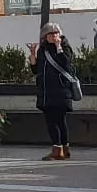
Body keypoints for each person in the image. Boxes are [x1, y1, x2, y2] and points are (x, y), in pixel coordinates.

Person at [30, 23, 78, 160]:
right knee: (53, 120)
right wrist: (33, 55)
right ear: (45, 37)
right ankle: (62, 149)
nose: (54, 36)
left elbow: (66, 64)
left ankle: (59, 149)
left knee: (58, 121)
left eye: (57, 33)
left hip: (61, 90)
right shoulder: (42, 50)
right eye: (51, 34)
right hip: (46, 92)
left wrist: (59, 47)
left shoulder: (65, 47)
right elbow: (36, 70)